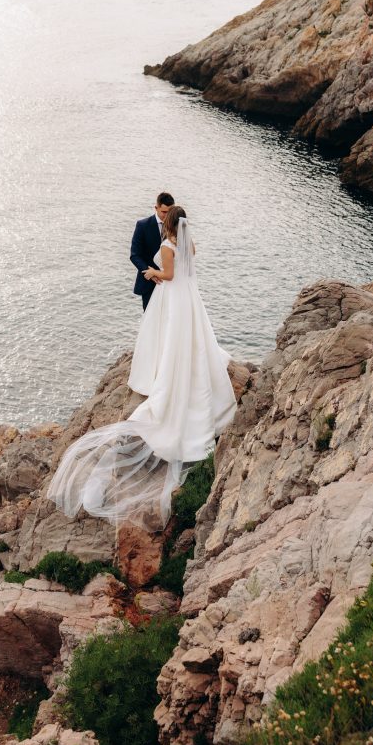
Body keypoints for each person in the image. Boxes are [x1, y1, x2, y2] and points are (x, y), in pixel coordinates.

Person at [46, 205, 237, 532]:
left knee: (175, 343)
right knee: (194, 339)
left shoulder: (168, 246)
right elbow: (189, 263)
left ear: (169, 222)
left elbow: (170, 276)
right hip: (191, 299)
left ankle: (174, 381)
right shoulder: (188, 243)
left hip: (176, 298)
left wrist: (152, 273)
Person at [130, 191, 174, 311]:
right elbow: (135, 255)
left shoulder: (177, 227)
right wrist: (151, 274)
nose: (167, 215)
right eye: (164, 212)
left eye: (170, 212)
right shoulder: (142, 225)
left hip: (171, 284)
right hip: (149, 282)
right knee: (150, 319)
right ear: (156, 208)